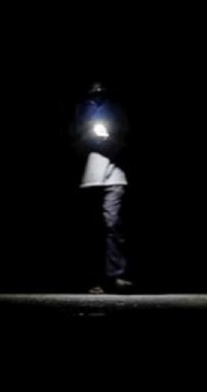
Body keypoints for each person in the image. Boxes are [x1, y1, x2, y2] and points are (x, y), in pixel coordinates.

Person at [76, 82, 134, 294]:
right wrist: (90, 138)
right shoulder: (82, 107)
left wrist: (111, 139)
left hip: (115, 173)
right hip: (91, 175)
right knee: (94, 228)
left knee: (113, 223)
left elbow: (127, 134)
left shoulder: (117, 107)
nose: (98, 88)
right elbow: (75, 135)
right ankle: (95, 278)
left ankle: (116, 275)